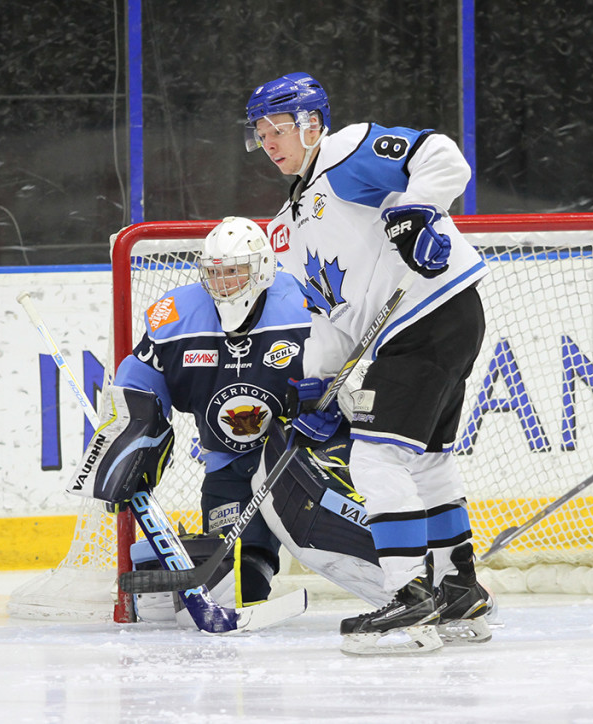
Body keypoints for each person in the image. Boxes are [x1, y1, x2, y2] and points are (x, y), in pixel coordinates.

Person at [245, 72, 493, 654]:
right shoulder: (289, 225)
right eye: (260, 133)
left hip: (429, 315)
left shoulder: (347, 152)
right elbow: (330, 316)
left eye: (276, 129)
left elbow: (442, 156)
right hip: (426, 327)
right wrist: (316, 389)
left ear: (310, 123)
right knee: (427, 460)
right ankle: (459, 587)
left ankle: (408, 598)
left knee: (376, 456)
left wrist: (416, 210)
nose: (268, 143)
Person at [105, 216, 384, 622]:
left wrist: (335, 406)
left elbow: (360, 374)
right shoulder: (174, 317)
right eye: (216, 273)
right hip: (228, 463)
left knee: (335, 535)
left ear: (264, 269)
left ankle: (418, 586)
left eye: (236, 271)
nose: (225, 283)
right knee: (239, 574)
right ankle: (251, 575)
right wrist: (125, 444)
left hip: (306, 453)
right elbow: (138, 390)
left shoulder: (304, 304)